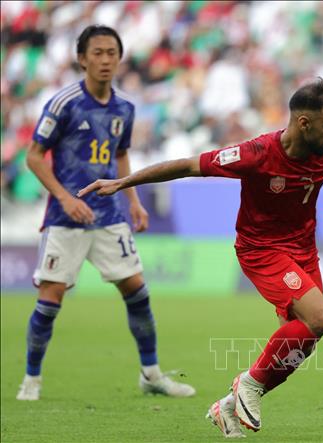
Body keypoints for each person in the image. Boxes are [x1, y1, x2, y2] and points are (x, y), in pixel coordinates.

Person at [78, 78, 323, 438]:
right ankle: (247, 385)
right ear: (303, 123)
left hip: (303, 249)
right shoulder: (256, 154)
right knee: (319, 317)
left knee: (305, 338)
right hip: (263, 250)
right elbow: (187, 165)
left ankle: (226, 408)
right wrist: (122, 183)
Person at [17, 25, 195, 401]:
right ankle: (31, 380)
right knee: (50, 299)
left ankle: (151, 375)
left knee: (137, 292)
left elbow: (120, 154)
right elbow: (34, 156)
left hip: (109, 215)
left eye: (111, 53)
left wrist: (134, 201)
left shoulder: (125, 108)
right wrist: (65, 198)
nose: (105, 60)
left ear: (120, 58)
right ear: (82, 59)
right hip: (66, 218)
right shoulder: (64, 103)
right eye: (97, 53)